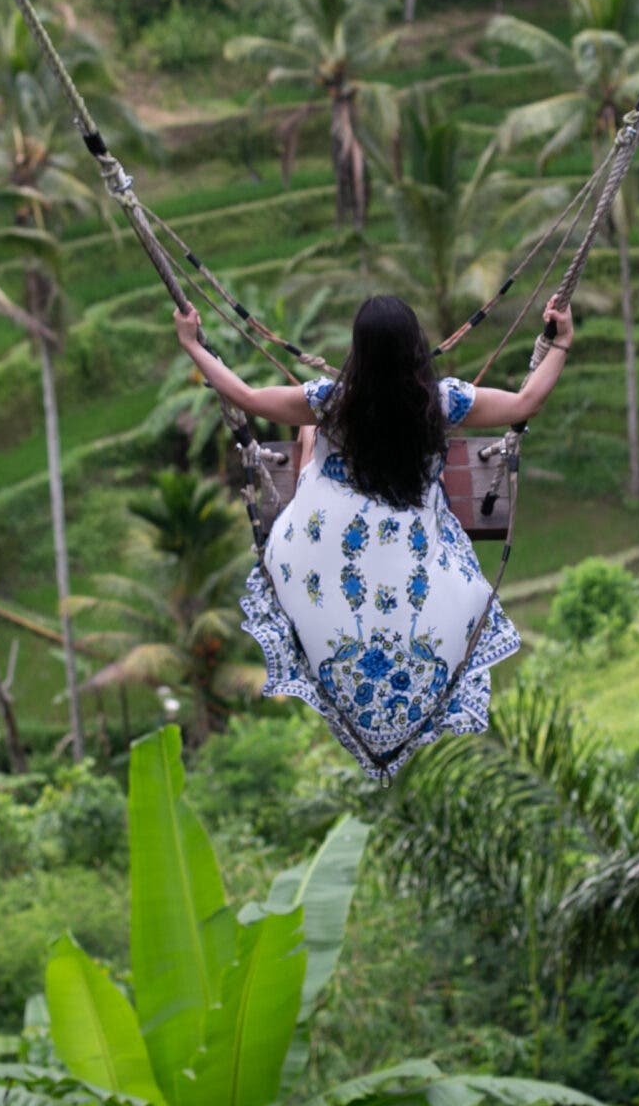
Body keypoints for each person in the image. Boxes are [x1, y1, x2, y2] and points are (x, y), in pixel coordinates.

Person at [173, 292, 575, 779]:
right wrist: (561, 343)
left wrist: (194, 346)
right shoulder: (442, 402)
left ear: (358, 352)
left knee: (307, 435)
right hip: (407, 536)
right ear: (415, 347)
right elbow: (527, 401)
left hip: (325, 540)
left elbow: (250, 398)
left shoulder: (333, 401)